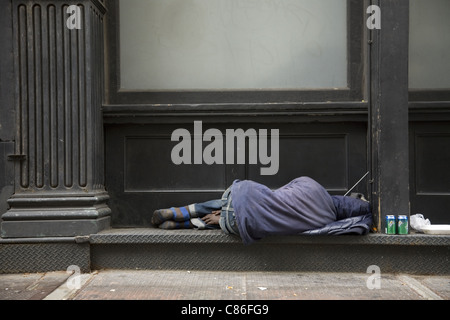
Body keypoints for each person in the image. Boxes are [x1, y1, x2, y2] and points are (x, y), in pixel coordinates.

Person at [151, 176, 372, 245]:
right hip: (239, 226)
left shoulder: (311, 184)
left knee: (244, 195)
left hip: (236, 198)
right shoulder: (324, 223)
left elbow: (275, 195)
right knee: (236, 216)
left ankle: (180, 212)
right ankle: (188, 224)